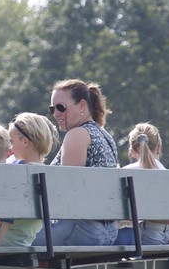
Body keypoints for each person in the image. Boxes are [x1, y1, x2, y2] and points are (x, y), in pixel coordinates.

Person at [42, 78, 119, 245]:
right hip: (109, 231)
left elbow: (66, 191)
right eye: (52, 109)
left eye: (60, 107)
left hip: (81, 228)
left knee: (14, 242)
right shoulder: (105, 135)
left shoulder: (77, 135)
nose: (55, 114)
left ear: (82, 105)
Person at [0, 112, 57, 247]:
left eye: (11, 141)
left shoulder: (20, 173)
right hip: (24, 242)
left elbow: (8, 214)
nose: (10, 147)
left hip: (5, 241)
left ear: (25, 142)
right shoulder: (49, 175)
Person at [117, 122, 169, 245]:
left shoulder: (126, 172)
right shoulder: (166, 173)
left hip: (146, 235)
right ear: (159, 148)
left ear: (132, 150)